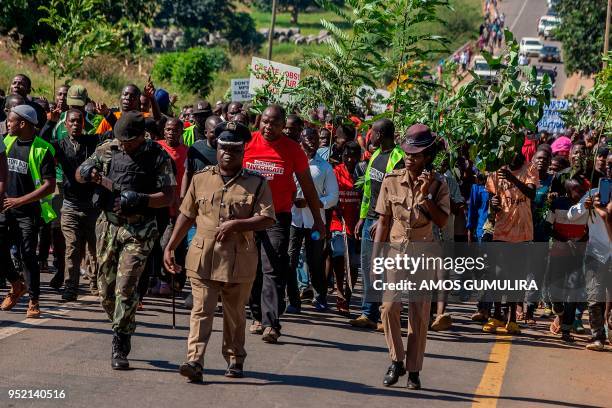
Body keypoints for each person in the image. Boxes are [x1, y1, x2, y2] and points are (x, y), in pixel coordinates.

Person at [164, 121, 276, 382]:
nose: (228, 153)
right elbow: (186, 215)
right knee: (200, 310)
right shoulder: (201, 179)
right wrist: (170, 246)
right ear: (217, 148)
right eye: (223, 148)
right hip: (203, 257)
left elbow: (268, 218)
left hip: (239, 261)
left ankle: (235, 358)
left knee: (235, 314)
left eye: (234, 150)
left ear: (243, 152)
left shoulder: (257, 184)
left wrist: (239, 224)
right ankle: (194, 360)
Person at [76, 111, 175, 369]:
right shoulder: (108, 148)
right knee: (106, 291)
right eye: (121, 140)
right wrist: (86, 172)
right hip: (108, 225)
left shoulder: (157, 156)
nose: (124, 145)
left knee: (126, 286)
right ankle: (125, 322)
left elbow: (168, 195)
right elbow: (80, 173)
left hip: (139, 229)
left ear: (143, 136)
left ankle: (120, 340)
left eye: (129, 141)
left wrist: (142, 199)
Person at [374, 124, 450, 389]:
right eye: (407, 152)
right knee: (389, 307)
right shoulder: (391, 179)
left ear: (427, 156)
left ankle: (414, 370)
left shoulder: (439, 184)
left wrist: (427, 195)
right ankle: (397, 360)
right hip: (395, 250)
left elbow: (441, 221)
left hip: (424, 252)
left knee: (419, 313)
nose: (409, 158)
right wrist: (374, 259)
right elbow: (383, 221)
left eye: (416, 154)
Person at [243, 104, 325, 343]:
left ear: (283, 126)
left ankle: (271, 323)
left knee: (273, 268)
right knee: (252, 268)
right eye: (265, 122)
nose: (269, 127)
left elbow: (308, 186)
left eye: (275, 124)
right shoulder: (248, 143)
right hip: (248, 217)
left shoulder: (293, 150)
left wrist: (318, 220)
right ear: (259, 122)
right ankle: (257, 316)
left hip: (277, 217)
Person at [0, 105, 56, 318]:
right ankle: (16, 285)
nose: (8, 124)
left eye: (11, 120)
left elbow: (49, 185)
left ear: (22, 123)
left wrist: (19, 201)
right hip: (6, 208)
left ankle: (33, 300)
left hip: (29, 212)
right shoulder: (6, 141)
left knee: (27, 255)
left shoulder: (43, 149)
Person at [350, 119, 405, 330]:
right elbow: (368, 191)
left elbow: (398, 193)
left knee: (387, 269)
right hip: (371, 219)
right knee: (369, 267)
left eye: (372, 132)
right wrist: (363, 218)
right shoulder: (375, 155)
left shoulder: (398, 157)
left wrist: (387, 219)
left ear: (380, 134)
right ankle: (368, 313)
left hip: (387, 221)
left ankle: (386, 314)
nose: (369, 136)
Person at [484, 151, 538, 334]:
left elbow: (531, 193)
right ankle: (497, 314)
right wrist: (493, 203)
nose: (511, 156)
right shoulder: (496, 170)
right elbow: (491, 206)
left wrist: (512, 179)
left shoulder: (530, 168)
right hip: (501, 229)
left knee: (516, 275)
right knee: (498, 273)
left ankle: (512, 318)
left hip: (522, 231)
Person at [287, 128, 339, 312]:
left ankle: (320, 296)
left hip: (315, 223)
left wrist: (313, 204)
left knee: (315, 259)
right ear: (300, 139)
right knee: (290, 260)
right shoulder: (291, 163)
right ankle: (293, 299)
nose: (312, 141)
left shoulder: (324, 167)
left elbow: (333, 197)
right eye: (308, 137)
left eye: (315, 138)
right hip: (293, 221)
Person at [51, 109, 101, 301]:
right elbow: (41, 145)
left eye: (79, 122)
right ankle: (70, 287)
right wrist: (49, 123)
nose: (75, 125)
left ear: (83, 124)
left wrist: (108, 115)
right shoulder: (60, 145)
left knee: (94, 248)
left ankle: (95, 283)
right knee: (72, 247)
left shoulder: (92, 142)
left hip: (92, 206)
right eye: (71, 121)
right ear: (65, 125)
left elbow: (114, 133)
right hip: (70, 206)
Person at [567, 151, 612, 351]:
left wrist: (604, 212)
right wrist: (584, 207)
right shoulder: (593, 193)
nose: (610, 168)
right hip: (596, 253)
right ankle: (597, 337)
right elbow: (571, 216)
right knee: (594, 297)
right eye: (608, 165)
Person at [329, 141, 362, 314]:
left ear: (359, 156)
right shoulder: (336, 171)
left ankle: (347, 297)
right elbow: (330, 193)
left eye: (354, 156)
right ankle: (340, 292)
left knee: (354, 264)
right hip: (338, 222)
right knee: (339, 255)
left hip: (356, 224)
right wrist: (336, 206)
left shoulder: (362, 172)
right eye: (346, 156)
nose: (350, 159)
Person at [181, 115, 223, 199]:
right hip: (199, 198)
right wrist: (183, 196)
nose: (217, 136)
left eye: (220, 132)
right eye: (213, 132)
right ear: (205, 133)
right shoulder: (195, 148)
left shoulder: (227, 150)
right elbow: (188, 173)